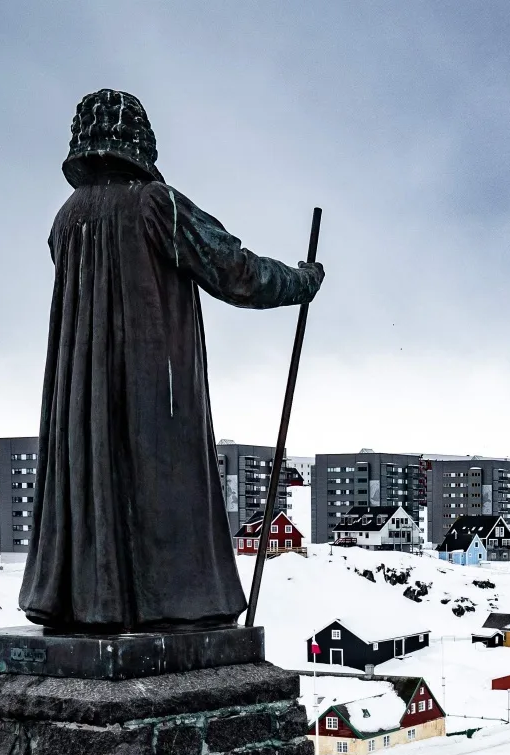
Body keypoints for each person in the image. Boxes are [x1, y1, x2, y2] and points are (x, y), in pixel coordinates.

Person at [19, 89, 323, 632]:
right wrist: (302, 282)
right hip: (152, 390)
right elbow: (234, 269)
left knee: (92, 483)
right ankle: (176, 604)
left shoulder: (65, 220)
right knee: (163, 487)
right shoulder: (154, 203)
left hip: (81, 402)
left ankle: (91, 603)